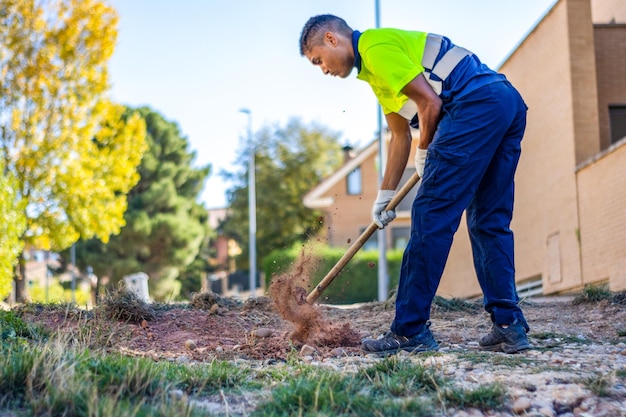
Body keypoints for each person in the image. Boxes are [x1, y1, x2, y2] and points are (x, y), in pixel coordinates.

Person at [299, 14, 531, 355]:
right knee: (488, 220)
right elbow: (397, 137)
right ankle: (509, 325)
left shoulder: (375, 47)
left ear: (332, 39)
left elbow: (431, 104)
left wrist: (426, 152)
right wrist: (384, 197)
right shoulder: (376, 71)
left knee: (431, 216)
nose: (323, 69)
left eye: (318, 60)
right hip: (504, 102)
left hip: (474, 105)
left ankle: (409, 331)